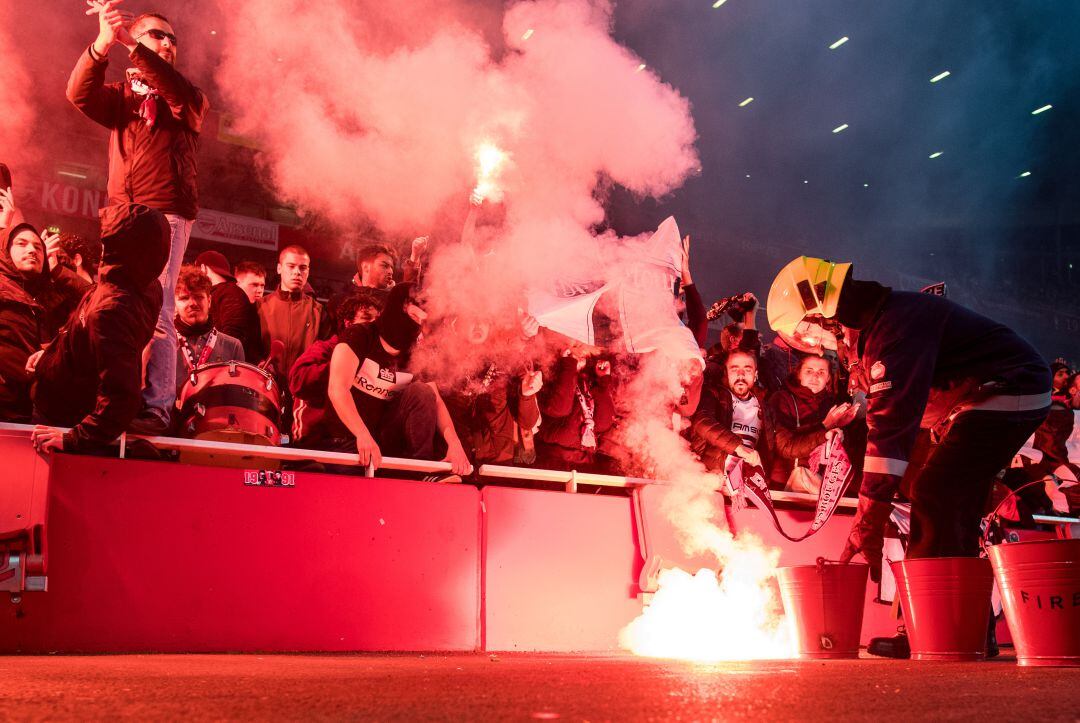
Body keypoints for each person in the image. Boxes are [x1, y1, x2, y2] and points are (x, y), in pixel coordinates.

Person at [767, 256, 1050, 657]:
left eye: (811, 334)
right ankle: (961, 631)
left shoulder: (895, 328)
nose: (817, 345)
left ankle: (934, 629)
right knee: (951, 504)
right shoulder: (882, 325)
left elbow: (891, 431)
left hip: (1010, 387)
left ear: (825, 313)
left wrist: (869, 517)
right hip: (987, 394)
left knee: (936, 491)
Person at [68, 2, 210, 434]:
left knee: (159, 308)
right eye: (157, 35)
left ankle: (156, 406)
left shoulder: (184, 95)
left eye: (172, 40)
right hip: (121, 214)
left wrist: (132, 44)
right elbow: (78, 95)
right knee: (111, 307)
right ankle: (109, 398)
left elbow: (174, 90)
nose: (167, 44)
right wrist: (101, 44)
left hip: (165, 210)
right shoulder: (122, 97)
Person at [30, 203, 169, 454]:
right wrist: (52, 353)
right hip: (63, 408)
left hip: (61, 418)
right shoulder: (139, 284)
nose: (102, 245)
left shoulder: (113, 308)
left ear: (124, 248)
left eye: (108, 239)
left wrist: (73, 438)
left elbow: (121, 398)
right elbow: (90, 336)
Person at [326, 283, 472, 479]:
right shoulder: (359, 335)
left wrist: (454, 444)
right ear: (397, 308)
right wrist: (362, 434)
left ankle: (421, 470)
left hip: (384, 441)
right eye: (413, 316)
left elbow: (434, 400)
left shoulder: (415, 353)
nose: (416, 325)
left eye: (421, 321)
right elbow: (337, 389)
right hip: (346, 439)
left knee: (421, 392)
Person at [441, 318, 544, 469]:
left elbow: (527, 423)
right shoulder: (444, 360)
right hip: (456, 457)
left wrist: (527, 395)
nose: (477, 324)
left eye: (483, 319)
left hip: (497, 463)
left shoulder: (508, 360)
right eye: (472, 317)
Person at [289, 289, 381, 449]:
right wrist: (342, 366)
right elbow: (297, 380)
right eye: (367, 318)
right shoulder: (326, 347)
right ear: (348, 323)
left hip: (355, 439)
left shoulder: (377, 357)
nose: (373, 325)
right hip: (315, 439)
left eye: (376, 320)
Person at [767, 354, 859, 489]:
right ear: (799, 374)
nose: (815, 377)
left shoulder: (833, 404)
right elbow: (785, 447)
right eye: (809, 371)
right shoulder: (781, 399)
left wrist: (842, 428)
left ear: (828, 378)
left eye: (821, 372)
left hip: (824, 488)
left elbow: (845, 456)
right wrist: (825, 426)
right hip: (786, 487)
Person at [0, 221, 52, 422]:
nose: (32, 250)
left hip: (22, 410)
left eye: (38, 247)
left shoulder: (38, 301)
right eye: (22, 244)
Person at [535, 348, 616, 473]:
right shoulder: (551, 372)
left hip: (576, 455)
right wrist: (568, 364)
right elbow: (559, 406)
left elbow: (604, 421)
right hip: (565, 452)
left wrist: (602, 380)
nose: (580, 354)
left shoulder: (587, 381)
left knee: (602, 423)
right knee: (601, 422)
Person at [691, 349, 771, 475]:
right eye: (734, 369)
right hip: (713, 474)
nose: (741, 375)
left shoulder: (765, 405)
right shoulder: (714, 394)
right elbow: (702, 422)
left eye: (747, 369)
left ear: (755, 375)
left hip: (750, 476)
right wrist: (738, 448)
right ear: (726, 373)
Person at [257, 245, 329, 383]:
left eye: (302, 268)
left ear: (308, 271)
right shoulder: (259, 307)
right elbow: (250, 347)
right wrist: (260, 362)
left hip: (303, 392)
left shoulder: (319, 311)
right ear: (279, 268)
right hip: (265, 387)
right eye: (291, 266)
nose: (297, 272)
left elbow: (324, 354)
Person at [173, 265, 245, 399]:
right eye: (184, 298)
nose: (192, 303)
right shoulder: (164, 343)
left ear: (209, 301)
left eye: (198, 297)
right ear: (174, 303)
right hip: (171, 419)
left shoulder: (233, 346)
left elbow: (236, 400)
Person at [194, 250, 261, 360]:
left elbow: (232, 337)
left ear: (203, 268)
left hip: (226, 368)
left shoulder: (230, 293)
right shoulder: (225, 292)